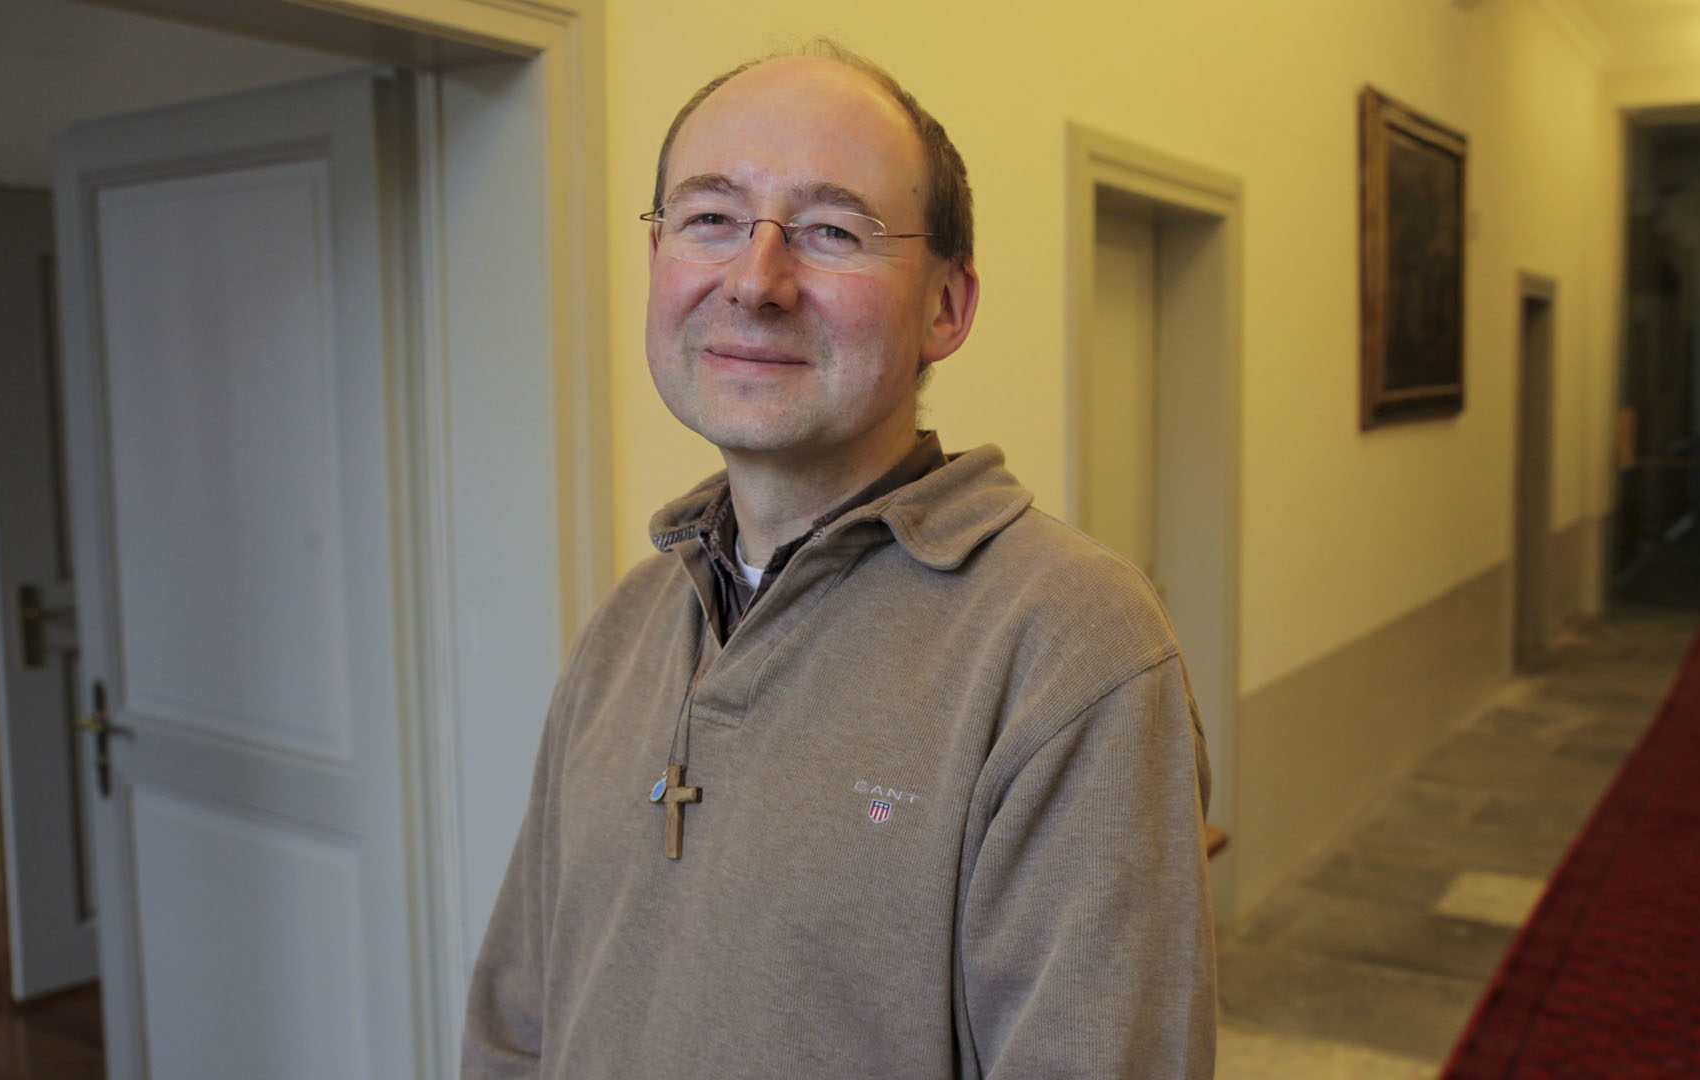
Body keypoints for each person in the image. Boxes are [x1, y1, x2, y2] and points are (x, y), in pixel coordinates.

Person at [462, 40, 1216, 1079]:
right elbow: (517, 1024)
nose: (756, 280)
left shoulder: (1068, 645)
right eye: (711, 219)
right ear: (657, 262)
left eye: (831, 230)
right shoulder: (631, 623)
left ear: (945, 308)